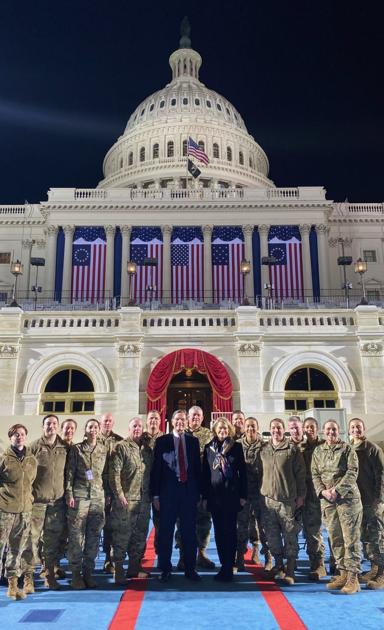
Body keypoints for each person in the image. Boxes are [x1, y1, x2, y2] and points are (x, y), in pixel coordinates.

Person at [311, 419, 362, 594]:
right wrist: (323, 492)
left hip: (347, 500)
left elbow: (352, 471)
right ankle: (342, 573)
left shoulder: (347, 449)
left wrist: (337, 490)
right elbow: (315, 474)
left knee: (351, 539)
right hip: (328, 501)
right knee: (335, 538)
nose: (331, 432)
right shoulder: (318, 451)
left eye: (334, 429)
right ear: (323, 432)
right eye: (328, 430)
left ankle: (353, 578)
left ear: (338, 431)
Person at [151, 409, 202, 582]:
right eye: (177, 419)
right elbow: (156, 470)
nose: (180, 422)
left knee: (189, 533)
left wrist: (199, 494)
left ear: (187, 422)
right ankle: (165, 569)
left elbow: (197, 470)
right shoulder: (161, 441)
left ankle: (190, 568)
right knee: (165, 533)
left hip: (188, 494)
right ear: (172, 422)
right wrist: (156, 495)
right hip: (167, 495)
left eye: (183, 419)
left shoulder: (194, 442)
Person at [22, 414, 69, 592]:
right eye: (48, 424)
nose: (51, 426)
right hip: (37, 504)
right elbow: (26, 476)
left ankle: (49, 575)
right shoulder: (34, 447)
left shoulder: (65, 447)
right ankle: (28, 579)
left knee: (51, 542)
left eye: (54, 424)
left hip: (56, 504)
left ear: (58, 427)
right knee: (30, 542)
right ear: (43, 426)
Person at [258, 418, 306, 585]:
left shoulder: (292, 450)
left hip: (287, 501)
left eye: (279, 428)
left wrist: (301, 496)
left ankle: (291, 569)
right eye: (273, 428)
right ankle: (278, 566)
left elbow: (301, 474)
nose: (276, 431)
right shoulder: (263, 449)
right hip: (268, 501)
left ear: (283, 430)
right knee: (272, 536)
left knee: (290, 536)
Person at [109, 417, 153, 584]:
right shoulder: (121, 447)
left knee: (140, 535)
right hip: (126, 500)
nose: (137, 429)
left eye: (140, 426)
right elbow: (114, 473)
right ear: (129, 428)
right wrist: (119, 495)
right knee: (121, 535)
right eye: (134, 426)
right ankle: (118, 569)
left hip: (143, 500)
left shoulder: (147, 450)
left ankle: (134, 567)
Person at [202, 417, 247, 582]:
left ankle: (229, 566)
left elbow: (243, 474)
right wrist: (205, 497)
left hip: (231, 496)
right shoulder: (209, 448)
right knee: (219, 534)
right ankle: (223, 565)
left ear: (229, 431)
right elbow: (206, 475)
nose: (223, 432)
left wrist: (243, 496)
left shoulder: (237, 447)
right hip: (215, 497)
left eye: (225, 429)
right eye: (220, 429)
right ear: (215, 430)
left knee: (230, 533)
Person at [65, 418, 108, 589]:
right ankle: (76, 575)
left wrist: (108, 496)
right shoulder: (77, 449)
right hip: (80, 497)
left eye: (96, 427)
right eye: (90, 426)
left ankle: (88, 573)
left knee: (93, 537)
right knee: (76, 537)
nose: (93, 429)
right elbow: (69, 473)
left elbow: (105, 475)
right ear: (85, 429)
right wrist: (69, 493)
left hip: (98, 498)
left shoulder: (103, 450)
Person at [0, 424, 37, 600]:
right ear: (10, 437)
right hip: (5, 510)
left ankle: (12, 586)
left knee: (17, 550)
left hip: (25, 511)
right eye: (16, 434)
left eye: (22, 434)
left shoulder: (32, 459)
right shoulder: (4, 458)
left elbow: (31, 483)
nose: (19, 437)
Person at [176, 405, 214, 570]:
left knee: (204, 520)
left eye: (198, 415)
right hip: (184, 485)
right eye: (193, 416)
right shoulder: (179, 434)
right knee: (183, 520)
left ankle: (201, 553)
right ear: (187, 417)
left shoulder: (209, 435)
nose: (195, 418)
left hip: (203, 484)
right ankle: (183, 555)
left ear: (202, 417)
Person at [349, 417, 384, 589]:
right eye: (353, 427)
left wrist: (379, 498)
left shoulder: (372, 449)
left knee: (376, 538)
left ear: (364, 429)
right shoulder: (348, 449)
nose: (356, 429)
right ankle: (374, 568)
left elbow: (381, 475)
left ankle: (382, 573)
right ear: (349, 431)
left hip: (372, 500)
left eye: (359, 427)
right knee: (364, 537)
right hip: (356, 501)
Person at [237, 417, 272, 571]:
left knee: (264, 527)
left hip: (261, 493)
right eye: (248, 426)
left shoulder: (266, 446)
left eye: (253, 426)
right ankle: (239, 557)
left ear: (257, 427)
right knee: (242, 526)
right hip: (243, 493)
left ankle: (269, 558)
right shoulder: (237, 446)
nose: (250, 429)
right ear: (244, 428)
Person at [301, 417, 326, 580]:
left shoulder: (325, 446)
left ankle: (338, 564)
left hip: (325, 493)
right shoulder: (300, 448)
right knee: (312, 530)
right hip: (307, 494)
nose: (309, 429)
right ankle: (317, 563)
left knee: (333, 531)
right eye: (307, 427)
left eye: (312, 426)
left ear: (317, 428)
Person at [99, 412, 123, 574]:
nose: (107, 423)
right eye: (105, 421)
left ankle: (110, 559)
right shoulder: (92, 439)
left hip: (113, 491)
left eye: (110, 421)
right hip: (95, 490)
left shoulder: (119, 441)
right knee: (92, 528)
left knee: (112, 526)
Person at [142, 410, 164, 557]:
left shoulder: (165, 438)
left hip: (160, 487)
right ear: (146, 421)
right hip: (141, 487)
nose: (153, 421)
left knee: (160, 523)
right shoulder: (139, 438)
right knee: (141, 524)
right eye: (151, 418)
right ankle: (138, 556)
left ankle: (160, 553)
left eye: (156, 418)